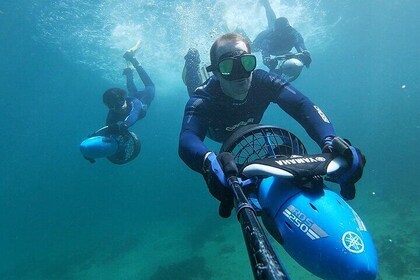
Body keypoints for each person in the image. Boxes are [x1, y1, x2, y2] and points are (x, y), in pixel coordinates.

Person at [178, 33, 365, 218]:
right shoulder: (204, 98)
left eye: (246, 63)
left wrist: (330, 140)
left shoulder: (263, 81)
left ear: (253, 63)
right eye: (228, 66)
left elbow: (302, 106)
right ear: (217, 72)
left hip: (239, 127)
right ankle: (192, 63)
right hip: (216, 132)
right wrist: (208, 161)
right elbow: (188, 139)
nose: (240, 75)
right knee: (194, 82)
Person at [102, 47, 155, 133]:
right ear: (110, 107)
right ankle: (129, 72)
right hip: (133, 97)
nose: (119, 107)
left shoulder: (135, 103)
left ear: (124, 98)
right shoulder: (112, 112)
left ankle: (132, 59)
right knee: (132, 90)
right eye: (113, 105)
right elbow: (107, 127)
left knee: (149, 85)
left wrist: (124, 125)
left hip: (145, 96)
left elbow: (134, 114)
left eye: (120, 102)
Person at [253, 0, 312, 71]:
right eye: (281, 32)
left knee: (272, 20)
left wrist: (305, 54)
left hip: (273, 36)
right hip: (266, 38)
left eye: (287, 30)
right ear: (276, 32)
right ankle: (240, 29)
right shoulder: (268, 37)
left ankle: (266, 4)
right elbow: (264, 51)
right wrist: (267, 60)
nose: (284, 34)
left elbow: (300, 46)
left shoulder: (293, 34)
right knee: (252, 48)